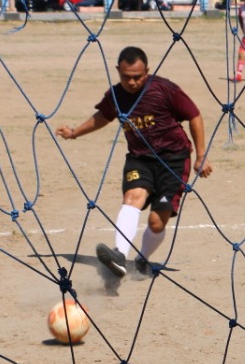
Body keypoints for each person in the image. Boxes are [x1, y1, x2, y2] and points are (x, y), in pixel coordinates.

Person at [55, 46, 214, 285]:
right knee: (132, 197)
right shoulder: (116, 95)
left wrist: (201, 156)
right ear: (118, 70)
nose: (131, 82)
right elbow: (104, 116)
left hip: (173, 159)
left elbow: (194, 115)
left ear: (147, 71)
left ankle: (142, 258)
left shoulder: (164, 90)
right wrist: (75, 132)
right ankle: (119, 256)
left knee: (156, 221)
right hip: (139, 159)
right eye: (126, 76)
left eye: (137, 77)